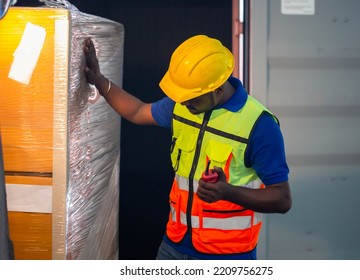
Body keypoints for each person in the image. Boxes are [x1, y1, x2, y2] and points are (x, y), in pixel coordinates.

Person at [83, 34, 292, 260]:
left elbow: (282, 199)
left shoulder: (259, 126)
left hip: (226, 256)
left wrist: (227, 192)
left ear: (218, 90)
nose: (184, 103)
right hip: (173, 246)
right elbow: (136, 112)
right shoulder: (182, 105)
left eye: (191, 98)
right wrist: (100, 81)